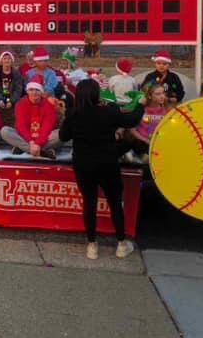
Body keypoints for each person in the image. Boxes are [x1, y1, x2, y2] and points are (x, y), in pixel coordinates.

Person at [58, 78, 143, 260]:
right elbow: (131, 120)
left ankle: (92, 245)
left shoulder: (73, 113)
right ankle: (121, 243)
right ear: (97, 94)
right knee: (114, 203)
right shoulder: (108, 111)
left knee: (89, 203)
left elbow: (63, 136)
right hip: (107, 163)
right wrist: (140, 105)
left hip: (83, 164)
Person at [0, 78, 59, 158]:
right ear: (27, 91)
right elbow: (21, 125)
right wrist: (31, 142)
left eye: (37, 90)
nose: (34, 93)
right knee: (5, 131)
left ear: (41, 92)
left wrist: (38, 143)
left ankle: (24, 149)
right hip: (26, 138)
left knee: (60, 134)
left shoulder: (48, 105)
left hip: (43, 138)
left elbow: (47, 127)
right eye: (31, 90)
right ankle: (41, 152)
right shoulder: (20, 104)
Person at [122, 82, 169, 164]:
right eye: (158, 94)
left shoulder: (166, 110)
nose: (162, 96)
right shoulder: (141, 110)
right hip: (142, 145)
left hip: (159, 144)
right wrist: (146, 141)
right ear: (149, 96)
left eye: (163, 93)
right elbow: (132, 130)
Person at [0, 50, 25, 122]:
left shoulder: (16, 73)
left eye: (9, 58)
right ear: (1, 61)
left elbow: (18, 90)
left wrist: (11, 101)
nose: (7, 60)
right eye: (4, 58)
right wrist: (0, 99)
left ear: (12, 61)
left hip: (12, 97)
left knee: (21, 104)